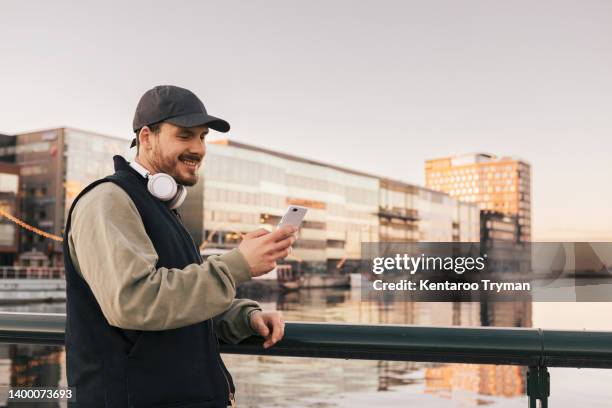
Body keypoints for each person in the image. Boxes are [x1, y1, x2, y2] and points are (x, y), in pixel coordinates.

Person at [63, 85, 296, 407]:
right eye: (185, 136)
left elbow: (176, 300)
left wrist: (241, 317)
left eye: (202, 137)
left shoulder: (158, 207)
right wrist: (238, 263)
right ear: (146, 137)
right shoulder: (109, 201)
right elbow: (134, 301)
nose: (198, 149)